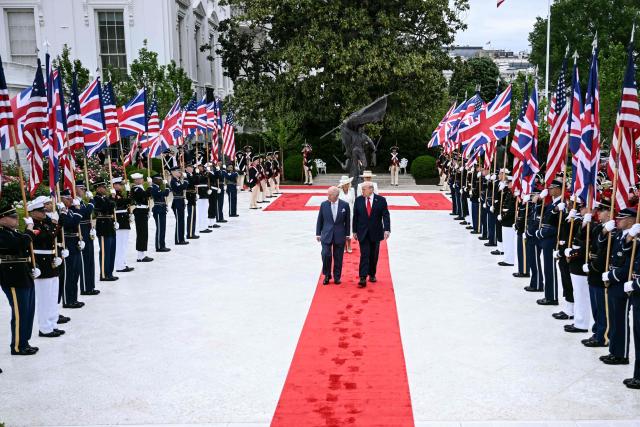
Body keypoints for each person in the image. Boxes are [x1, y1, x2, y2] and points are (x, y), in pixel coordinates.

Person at [0, 197, 38, 356]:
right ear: (2, 219)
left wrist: (32, 267)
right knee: (20, 312)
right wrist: (29, 229)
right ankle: (17, 346)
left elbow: (25, 247)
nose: (16, 218)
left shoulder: (12, 232)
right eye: (12, 216)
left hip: (23, 274)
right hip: (12, 277)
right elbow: (18, 245)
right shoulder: (2, 234)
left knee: (28, 311)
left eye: (16, 216)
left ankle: (24, 341)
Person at [26, 196, 65, 338]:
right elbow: (47, 238)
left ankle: (53, 323)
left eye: (44, 210)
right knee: (44, 298)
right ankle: (44, 327)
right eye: (41, 211)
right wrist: (55, 223)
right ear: (33, 212)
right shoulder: (34, 226)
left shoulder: (44, 223)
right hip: (42, 263)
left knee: (53, 295)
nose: (44, 212)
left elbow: (57, 234)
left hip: (51, 260)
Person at [352, 182, 390, 288]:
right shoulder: (358, 200)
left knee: (374, 255)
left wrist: (387, 229)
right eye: (362, 189)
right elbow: (355, 216)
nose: (362, 191)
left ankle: (372, 274)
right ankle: (363, 277)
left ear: (371, 189)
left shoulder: (381, 200)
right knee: (364, 254)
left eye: (364, 189)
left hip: (376, 232)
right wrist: (354, 231)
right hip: (362, 232)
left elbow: (386, 215)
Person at [316, 187, 351, 285]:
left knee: (338, 257)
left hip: (340, 234)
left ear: (336, 196)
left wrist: (348, 234)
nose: (328, 196)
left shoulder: (345, 205)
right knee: (325, 254)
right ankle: (327, 275)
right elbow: (320, 220)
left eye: (330, 195)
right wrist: (318, 233)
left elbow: (347, 221)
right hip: (326, 234)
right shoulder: (324, 205)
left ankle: (337, 277)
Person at [75, 181, 99, 296]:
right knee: (84, 261)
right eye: (82, 189)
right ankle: (85, 287)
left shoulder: (82, 202)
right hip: (81, 232)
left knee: (90, 260)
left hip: (87, 231)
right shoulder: (75, 203)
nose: (84, 191)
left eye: (84, 189)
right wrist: (92, 203)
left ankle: (90, 286)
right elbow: (85, 213)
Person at [93, 180, 118, 281]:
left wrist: (111, 201)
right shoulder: (96, 199)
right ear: (98, 188)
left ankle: (109, 272)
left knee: (111, 251)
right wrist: (111, 200)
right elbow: (104, 208)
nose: (105, 189)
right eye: (103, 187)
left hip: (109, 224)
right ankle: (103, 274)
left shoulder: (105, 198)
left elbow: (113, 206)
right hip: (103, 226)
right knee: (105, 251)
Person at [130, 173, 154, 262]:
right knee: (141, 233)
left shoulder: (140, 187)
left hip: (143, 211)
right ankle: (140, 256)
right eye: (140, 179)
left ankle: (142, 254)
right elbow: (145, 195)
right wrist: (150, 185)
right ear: (135, 180)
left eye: (142, 178)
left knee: (144, 233)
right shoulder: (136, 189)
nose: (142, 180)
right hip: (140, 212)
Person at [113, 177, 134, 273]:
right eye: (120, 184)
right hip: (120, 221)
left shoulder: (120, 194)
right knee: (120, 245)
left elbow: (128, 202)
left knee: (124, 244)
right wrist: (129, 193)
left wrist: (129, 192)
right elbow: (126, 201)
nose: (121, 186)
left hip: (124, 221)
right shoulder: (114, 196)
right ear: (115, 185)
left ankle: (123, 263)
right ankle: (119, 265)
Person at [151, 174, 171, 252]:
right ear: (154, 180)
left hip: (162, 209)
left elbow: (165, 193)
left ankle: (162, 245)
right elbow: (162, 194)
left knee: (163, 228)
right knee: (159, 228)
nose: (161, 181)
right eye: (159, 179)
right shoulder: (153, 188)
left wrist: (166, 187)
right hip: (158, 209)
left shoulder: (158, 187)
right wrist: (166, 189)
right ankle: (159, 246)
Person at [170, 166, 188, 245]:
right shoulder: (173, 181)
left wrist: (184, 181)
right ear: (173, 172)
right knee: (179, 221)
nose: (180, 173)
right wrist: (185, 183)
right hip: (177, 202)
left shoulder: (179, 180)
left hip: (181, 201)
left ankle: (181, 238)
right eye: (178, 171)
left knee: (182, 221)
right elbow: (178, 188)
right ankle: (178, 239)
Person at [337, 175, 355, 253]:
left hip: (350, 212)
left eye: (348, 183)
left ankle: (349, 245)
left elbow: (354, 201)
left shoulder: (352, 190)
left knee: (350, 228)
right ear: (342, 184)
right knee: (342, 228)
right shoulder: (338, 191)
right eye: (346, 183)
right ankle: (344, 245)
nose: (347, 185)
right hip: (341, 212)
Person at [184, 164, 199, 240]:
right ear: (186, 168)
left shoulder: (191, 175)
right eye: (190, 167)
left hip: (192, 196)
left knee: (193, 216)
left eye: (192, 167)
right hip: (189, 197)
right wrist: (195, 174)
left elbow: (197, 182)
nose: (192, 169)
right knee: (191, 216)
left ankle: (192, 232)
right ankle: (189, 234)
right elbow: (192, 182)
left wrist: (196, 174)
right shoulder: (186, 175)